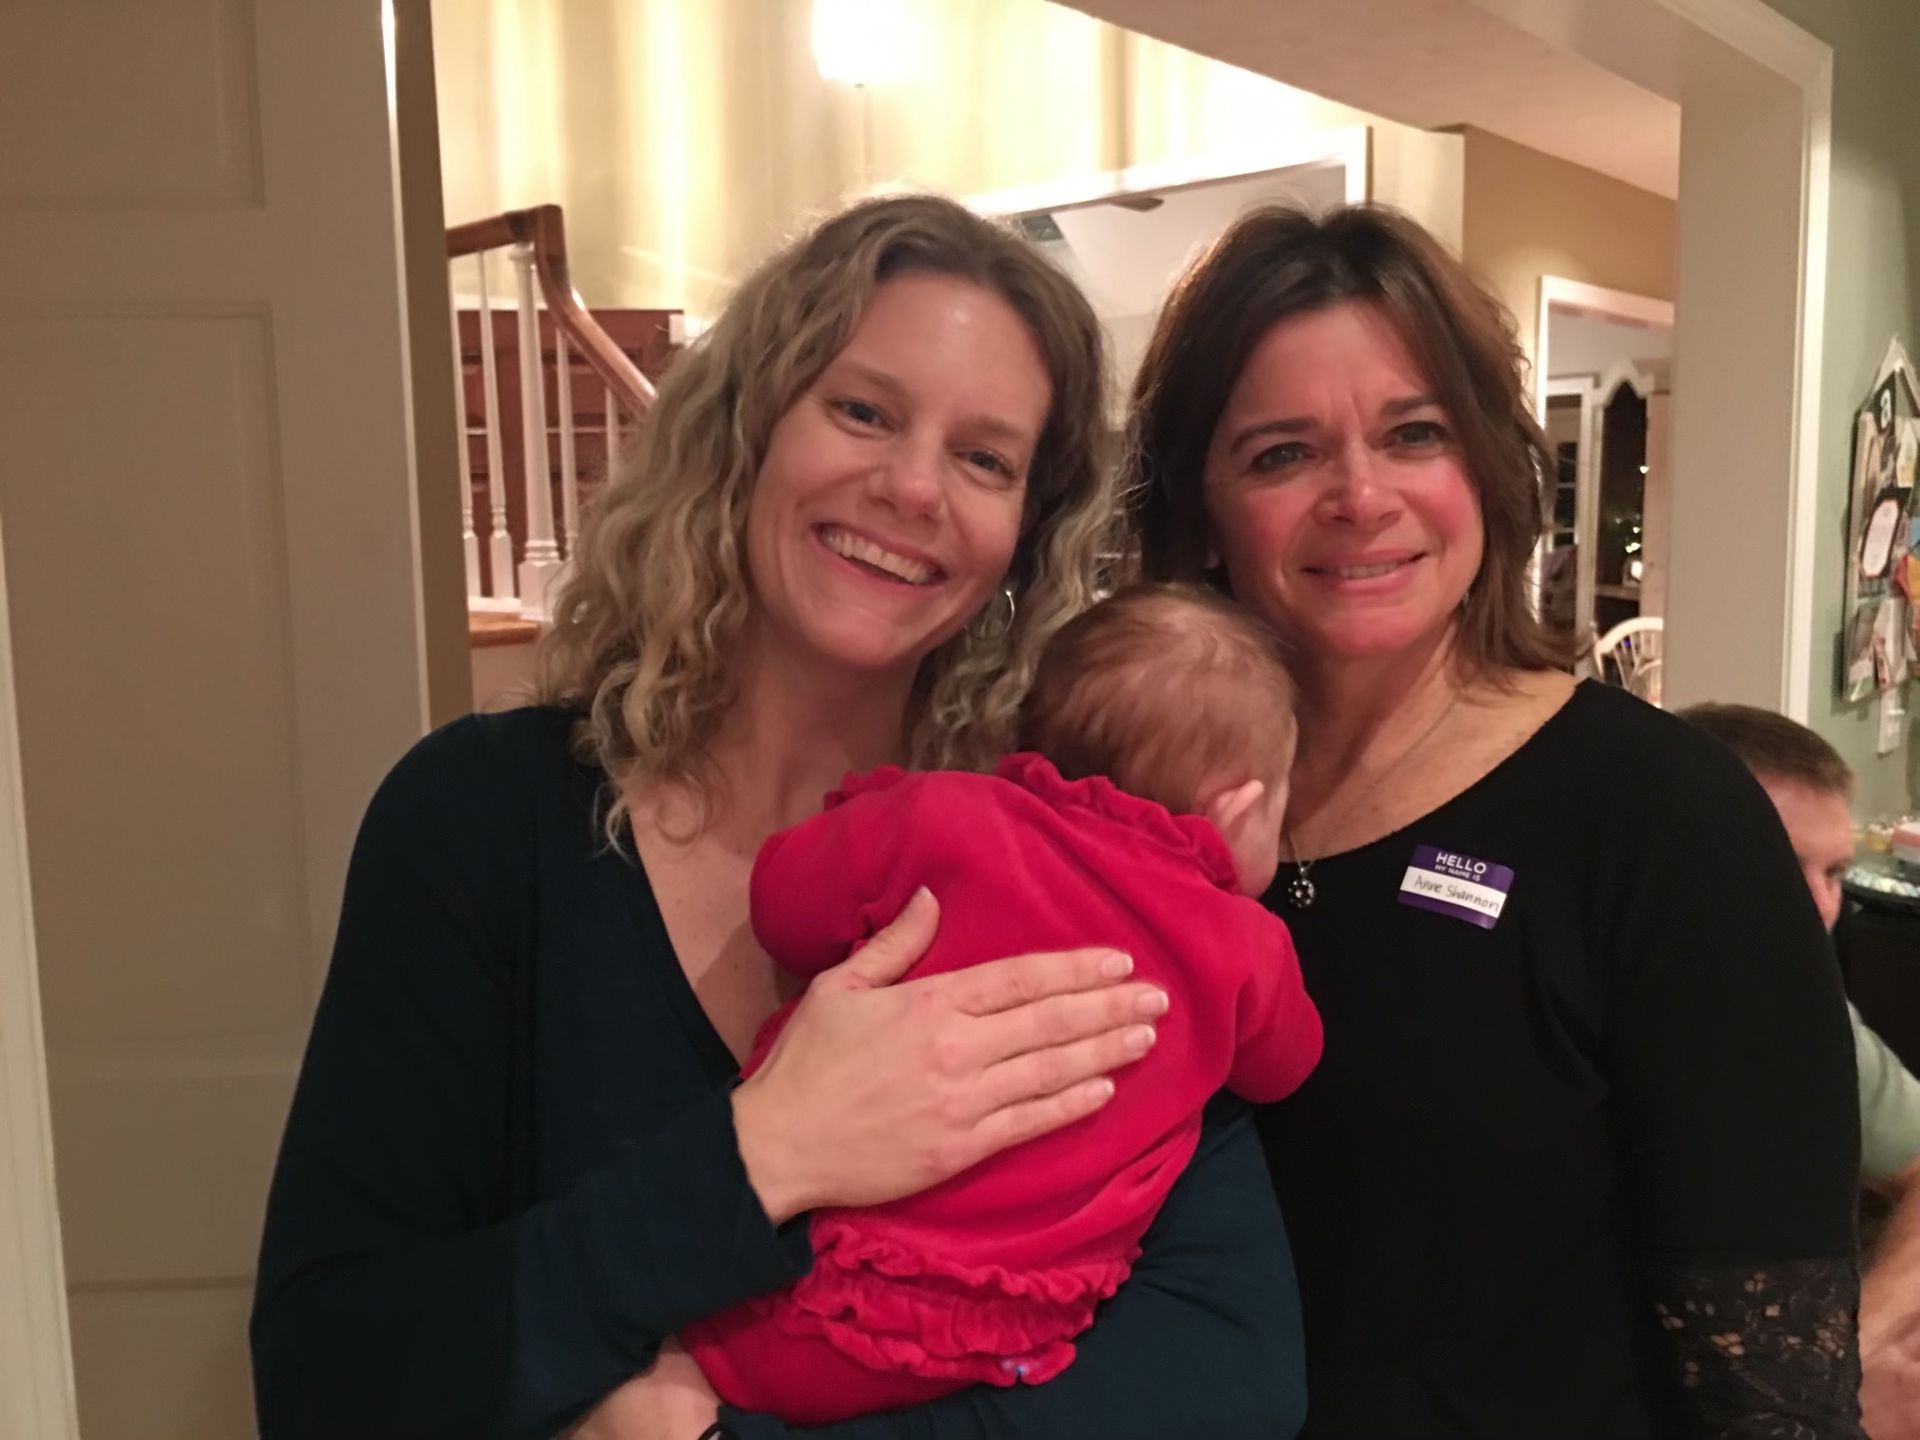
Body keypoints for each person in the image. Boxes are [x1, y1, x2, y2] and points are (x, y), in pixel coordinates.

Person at [250, 195, 1310, 1440]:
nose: (911, 486)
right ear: (745, 431)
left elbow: (1226, 1376)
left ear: (1026, 535)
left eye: (985, 459)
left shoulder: (1081, 855)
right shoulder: (482, 820)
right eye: (862, 411)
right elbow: (332, 1374)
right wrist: (764, 1151)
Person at [1129, 203, 1866, 1437]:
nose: (1360, 496)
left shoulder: (1663, 818)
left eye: (1413, 433)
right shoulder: (1130, 810)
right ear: (1201, 512)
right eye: (1281, 453)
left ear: (1483, 464)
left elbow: (1776, 1394)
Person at [683, 583, 1323, 1423]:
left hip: (801, 1286)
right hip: (1006, 1336)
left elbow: (784, 906)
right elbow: (1286, 1067)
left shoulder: (943, 815)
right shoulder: (1242, 945)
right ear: (1235, 808)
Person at [1679, 701, 1920, 1440]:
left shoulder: (1806, 1016)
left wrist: (1849, 1356)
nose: (1820, 907)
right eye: (1782, 866)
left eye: (1835, 872)